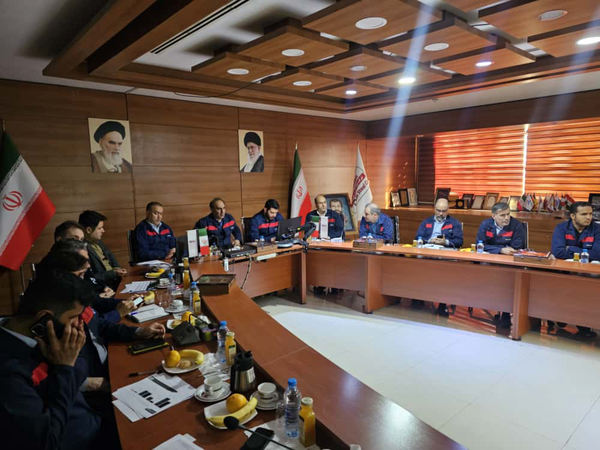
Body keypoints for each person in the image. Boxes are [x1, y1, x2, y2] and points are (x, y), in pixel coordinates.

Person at [0, 272, 102, 449]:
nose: (78, 324)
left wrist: (67, 366)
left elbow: (81, 365)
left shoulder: (45, 336)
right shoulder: (8, 374)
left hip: (89, 418)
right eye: (73, 317)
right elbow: (47, 441)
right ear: (44, 318)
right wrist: (64, 368)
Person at [40, 239, 135, 324]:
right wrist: (118, 313)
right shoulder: (62, 293)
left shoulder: (80, 279)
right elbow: (96, 326)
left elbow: (97, 301)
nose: (88, 265)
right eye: (82, 259)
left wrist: (124, 302)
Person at [550, 201, 600, 339]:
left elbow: (598, 254)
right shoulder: (561, 228)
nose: (589, 217)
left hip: (590, 274)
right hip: (565, 272)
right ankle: (561, 315)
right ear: (573, 216)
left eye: (590, 214)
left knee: (586, 291)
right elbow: (558, 252)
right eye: (584, 214)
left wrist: (571, 249)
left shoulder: (597, 229)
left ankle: (584, 323)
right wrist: (585, 253)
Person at [476, 202, 525, 327]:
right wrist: (501, 249)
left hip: (509, 264)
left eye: (508, 214)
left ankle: (506, 313)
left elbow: (516, 247)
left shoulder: (516, 225)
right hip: (490, 261)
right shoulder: (485, 225)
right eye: (502, 215)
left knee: (507, 280)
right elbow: (480, 245)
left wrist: (493, 248)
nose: (507, 218)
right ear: (493, 216)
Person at [415, 198, 464, 316]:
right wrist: (428, 240)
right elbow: (418, 237)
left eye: (444, 211)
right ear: (434, 209)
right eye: (438, 210)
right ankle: (418, 297)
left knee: (444, 274)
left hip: (445, 253)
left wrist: (445, 242)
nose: (441, 214)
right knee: (417, 267)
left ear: (448, 210)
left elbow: (459, 241)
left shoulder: (454, 223)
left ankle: (442, 303)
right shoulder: (426, 222)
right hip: (428, 251)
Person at [306, 195, 344, 295]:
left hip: (332, 243)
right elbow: (307, 231)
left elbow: (339, 230)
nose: (323, 205)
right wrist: (312, 236)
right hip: (317, 245)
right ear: (316, 205)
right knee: (318, 261)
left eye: (324, 202)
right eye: (320, 203)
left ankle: (335, 285)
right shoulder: (310, 215)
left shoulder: (334, 215)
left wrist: (329, 236)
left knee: (334, 260)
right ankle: (320, 284)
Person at [79, 210, 127, 290]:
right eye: (100, 228)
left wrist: (117, 269)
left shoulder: (98, 242)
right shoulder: (82, 249)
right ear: (88, 230)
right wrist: (113, 273)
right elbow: (91, 278)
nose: (103, 231)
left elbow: (111, 256)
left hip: (116, 281)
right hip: (105, 287)